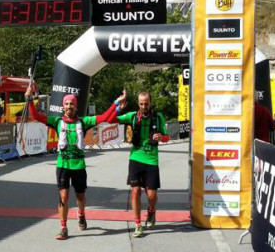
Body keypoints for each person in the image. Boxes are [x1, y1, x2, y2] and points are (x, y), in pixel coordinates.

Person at [25, 87, 126, 240]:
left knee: (80, 195)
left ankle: (81, 215)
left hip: (78, 165)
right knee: (63, 196)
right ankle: (63, 227)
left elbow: (104, 117)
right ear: (63, 106)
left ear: (76, 106)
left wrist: (116, 103)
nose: (68, 107)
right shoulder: (57, 121)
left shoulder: (84, 122)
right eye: (66, 104)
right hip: (63, 164)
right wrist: (29, 99)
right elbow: (36, 116)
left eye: (71, 104)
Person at [111, 92, 169, 238]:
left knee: (151, 195)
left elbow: (167, 137)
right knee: (135, 191)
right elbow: (110, 119)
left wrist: (161, 137)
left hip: (151, 159)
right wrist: (117, 105)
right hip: (136, 157)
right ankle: (137, 224)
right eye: (141, 104)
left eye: (146, 103)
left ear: (151, 102)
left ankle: (151, 211)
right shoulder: (131, 116)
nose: (144, 106)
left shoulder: (158, 117)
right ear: (138, 103)